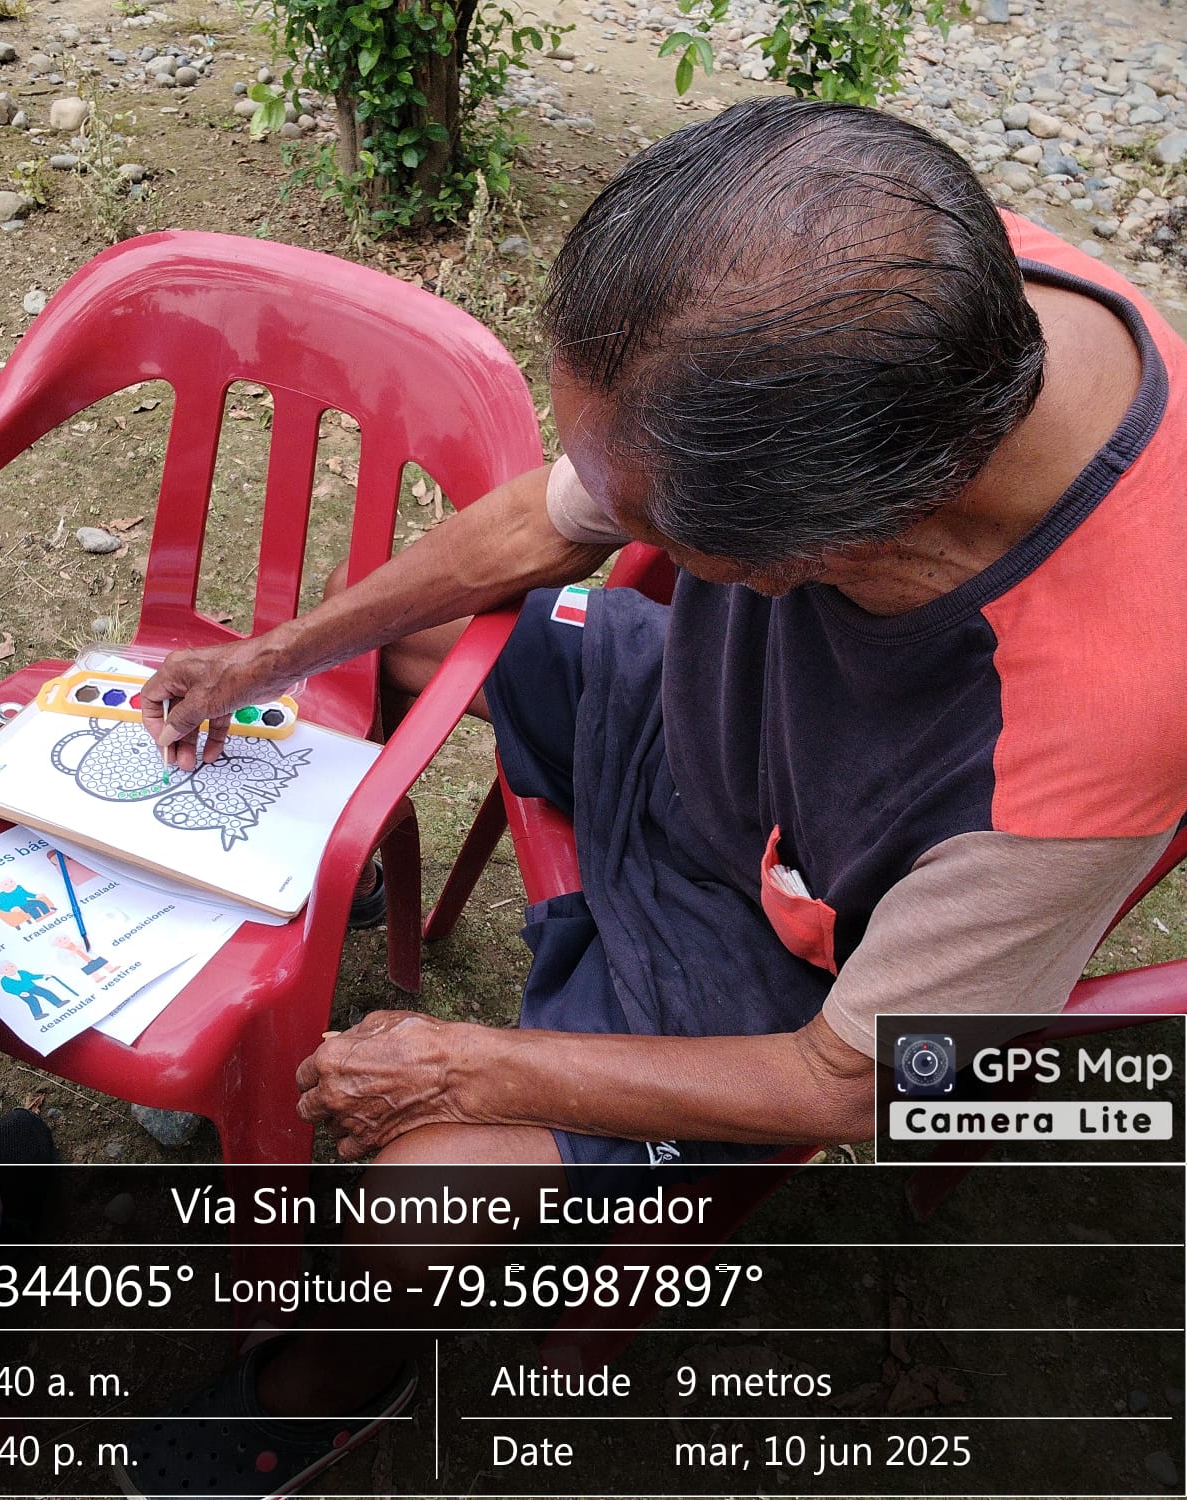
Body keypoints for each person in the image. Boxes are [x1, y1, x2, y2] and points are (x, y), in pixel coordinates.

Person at [130, 96, 1187, 1490]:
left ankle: (323, 1386)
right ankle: (275, 939)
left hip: (793, 943)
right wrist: (265, 659)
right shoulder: (871, 276)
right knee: (391, 638)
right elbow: (539, 520)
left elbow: (855, 1084)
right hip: (697, 718)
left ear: (832, 545)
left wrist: (472, 1065)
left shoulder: (1098, 721)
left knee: (423, 1202)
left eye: (646, 520)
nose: (591, 510)